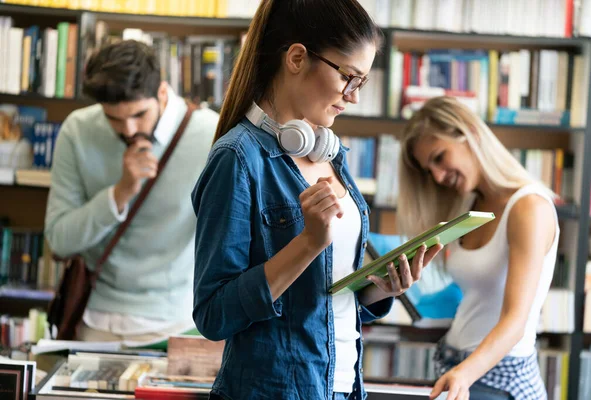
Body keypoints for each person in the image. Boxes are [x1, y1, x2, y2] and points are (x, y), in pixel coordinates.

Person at [190, 1, 443, 399]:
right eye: (349, 77)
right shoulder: (237, 159)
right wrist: (308, 242)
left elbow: (321, 300)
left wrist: (382, 288)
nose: (353, 96)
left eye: (361, 82)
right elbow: (213, 315)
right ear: (296, 58)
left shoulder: (331, 155)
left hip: (341, 387)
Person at [45, 40, 219, 342]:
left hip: (180, 324)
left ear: (162, 93)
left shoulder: (211, 134)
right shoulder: (78, 129)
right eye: (113, 118)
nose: (127, 129)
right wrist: (121, 193)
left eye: (139, 114)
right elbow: (60, 241)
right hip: (95, 321)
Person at [398, 96, 558, 400]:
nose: (438, 177)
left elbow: (516, 320)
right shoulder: (470, 206)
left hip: (496, 378)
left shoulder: (529, 208)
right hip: (457, 367)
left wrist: (465, 373)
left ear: (469, 131)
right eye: (428, 170)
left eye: (439, 157)